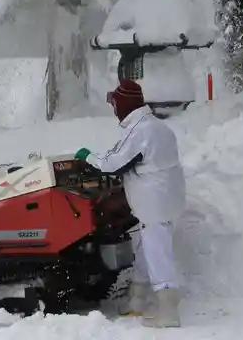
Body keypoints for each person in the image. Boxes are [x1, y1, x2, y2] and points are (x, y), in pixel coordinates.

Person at [74, 78, 185, 328]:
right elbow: (125, 157)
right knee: (148, 248)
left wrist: (87, 157)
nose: (113, 108)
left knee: (157, 254)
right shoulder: (156, 126)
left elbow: (113, 163)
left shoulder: (140, 131)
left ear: (123, 104)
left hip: (154, 202)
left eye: (115, 102)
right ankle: (138, 298)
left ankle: (169, 312)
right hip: (167, 198)